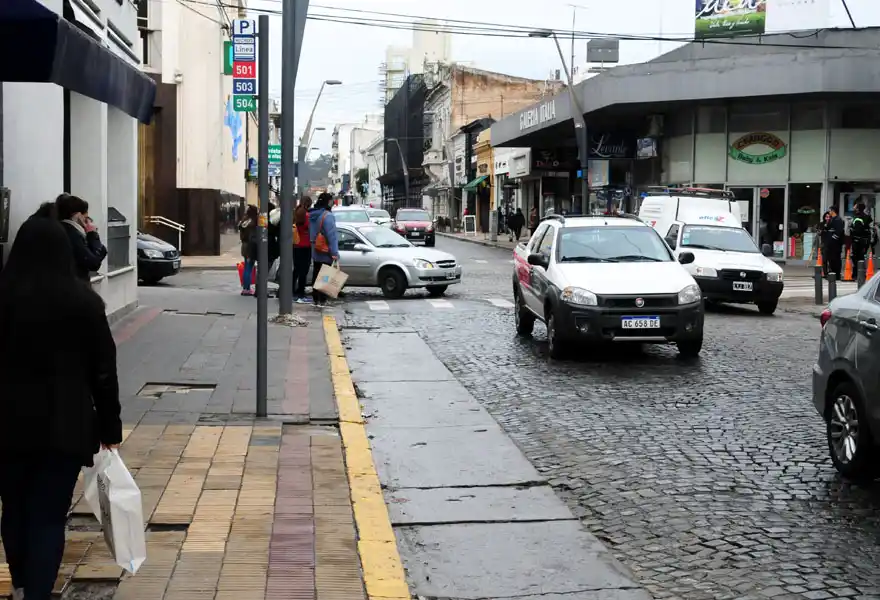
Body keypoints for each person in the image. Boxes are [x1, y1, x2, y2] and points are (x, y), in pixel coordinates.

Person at [0, 217, 122, 600]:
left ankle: (21, 585)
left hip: (6, 427)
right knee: (48, 516)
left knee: (14, 509)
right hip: (64, 427)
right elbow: (104, 372)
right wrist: (110, 429)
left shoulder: (4, 298)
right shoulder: (84, 303)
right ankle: (35, 593)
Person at [56, 193, 107, 282]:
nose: (87, 220)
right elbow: (93, 263)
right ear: (78, 215)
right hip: (74, 284)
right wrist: (92, 234)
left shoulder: (59, 228)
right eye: (85, 217)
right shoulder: (73, 234)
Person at [308, 192, 340, 307]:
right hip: (325, 250)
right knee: (325, 275)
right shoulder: (328, 216)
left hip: (316, 248)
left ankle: (316, 298)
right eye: (331, 201)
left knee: (316, 273)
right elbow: (331, 235)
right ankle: (322, 299)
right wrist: (334, 252)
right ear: (328, 202)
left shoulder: (313, 214)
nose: (333, 203)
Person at [293, 196, 313, 303]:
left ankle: (292, 290)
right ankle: (301, 293)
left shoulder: (296, 212)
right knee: (303, 271)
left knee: (297, 269)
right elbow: (310, 228)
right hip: (305, 245)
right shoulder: (306, 215)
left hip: (296, 245)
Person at [820, 207, 845, 280]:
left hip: (835, 244)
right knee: (831, 260)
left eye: (830, 210)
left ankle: (836, 275)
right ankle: (832, 274)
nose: (829, 212)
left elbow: (838, 231)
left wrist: (833, 239)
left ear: (833, 211)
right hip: (830, 244)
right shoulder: (832, 219)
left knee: (835, 259)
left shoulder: (838, 220)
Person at [238, 205, 258, 296]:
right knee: (249, 268)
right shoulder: (253, 222)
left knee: (247, 267)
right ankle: (247, 289)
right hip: (250, 246)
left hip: (244, 245)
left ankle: (245, 288)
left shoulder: (244, 220)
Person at [850, 202, 873, 276]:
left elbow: (857, 230)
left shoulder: (858, 217)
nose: (853, 207)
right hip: (864, 240)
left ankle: (857, 273)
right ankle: (860, 273)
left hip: (858, 240)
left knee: (856, 257)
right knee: (861, 257)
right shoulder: (867, 217)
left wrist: (852, 229)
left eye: (855, 206)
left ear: (858, 208)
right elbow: (870, 229)